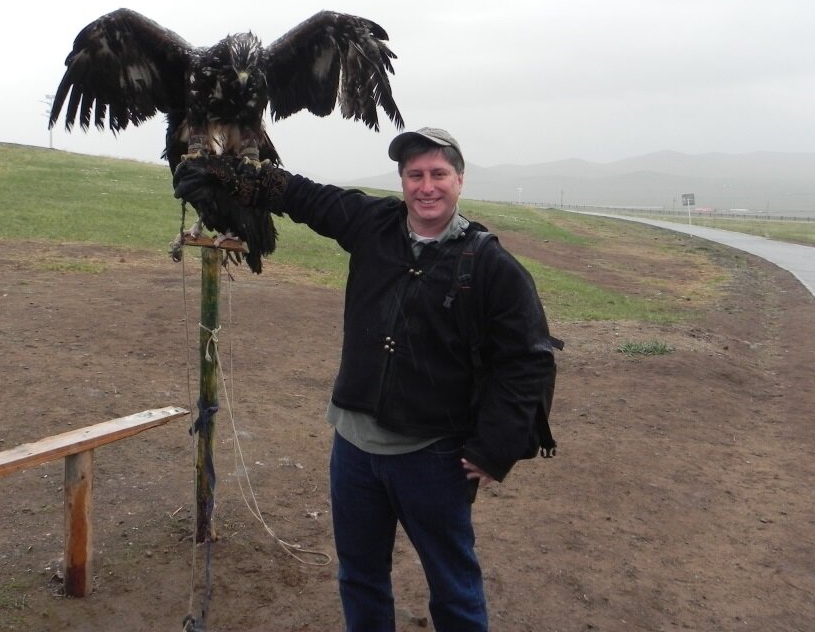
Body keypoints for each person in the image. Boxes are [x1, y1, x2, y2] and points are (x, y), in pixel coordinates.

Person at [173, 127, 560, 632]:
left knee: (453, 586)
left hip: (434, 457)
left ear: (459, 181)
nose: (426, 186)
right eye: (415, 175)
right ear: (401, 181)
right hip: (354, 453)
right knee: (359, 576)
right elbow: (308, 198)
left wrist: (494, 448)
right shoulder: (373, 223)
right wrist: (243, 177)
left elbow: (528, 360)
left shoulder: (490, 264)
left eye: (438, 174)